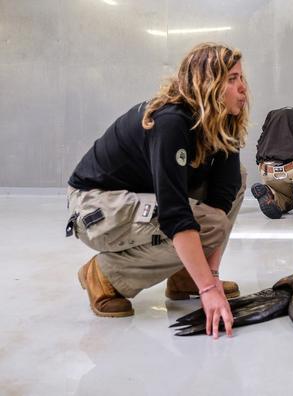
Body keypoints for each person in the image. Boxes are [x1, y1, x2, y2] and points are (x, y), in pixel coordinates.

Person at [65, 43, 248, 339]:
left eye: (241, 78)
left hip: (141, 197)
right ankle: (104, 274)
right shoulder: (171, 121)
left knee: (234, 183)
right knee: (206, 225)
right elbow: (176, 213)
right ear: (208, 84)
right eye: (231, 79)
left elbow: (221, 199)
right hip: (97, 205)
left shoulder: (221, 122)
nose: (242, 88)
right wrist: (208, 290)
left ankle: (186, 276)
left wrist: (210, 278)